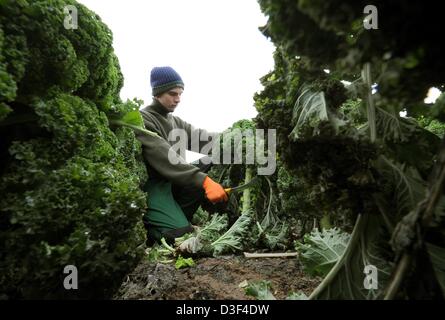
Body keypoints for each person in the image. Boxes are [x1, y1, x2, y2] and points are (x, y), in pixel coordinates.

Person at [136, 66, 228, 244]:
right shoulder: (144, 120)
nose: (178, 99)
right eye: (173, 94)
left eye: (180, 94)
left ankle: (180, 217)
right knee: (179, 236)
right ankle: (150, 228)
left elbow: (205, 140)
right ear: (157, 93)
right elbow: (166, 158)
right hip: (157, 188)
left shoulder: (175, 121)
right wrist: (205, 181)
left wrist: (236, 139)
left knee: (214, 157)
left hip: (176, 186)